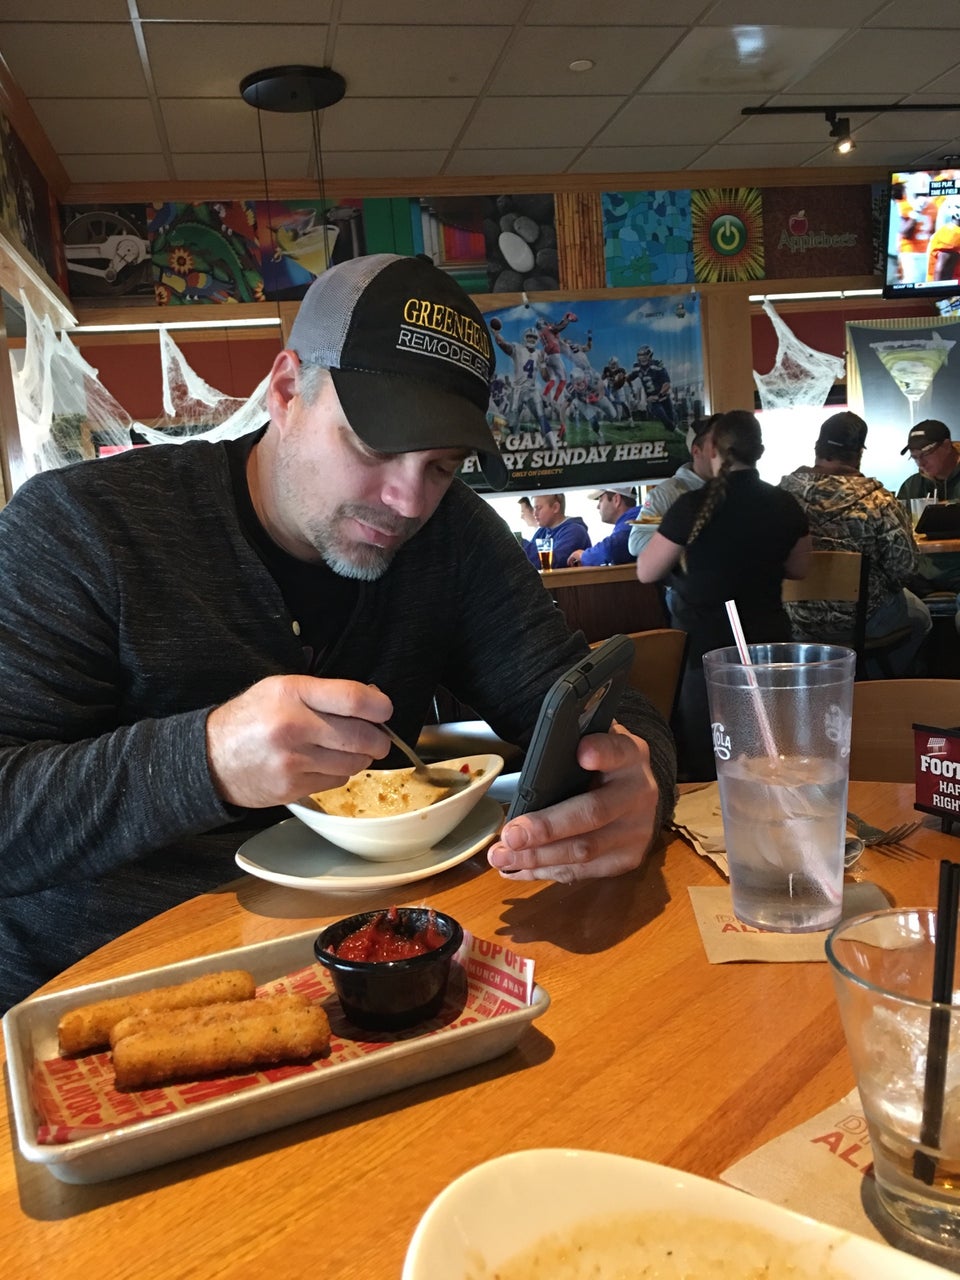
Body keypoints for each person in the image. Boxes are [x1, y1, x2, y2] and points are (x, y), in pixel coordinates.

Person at [0, 252, 676, 1011]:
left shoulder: (452, 540)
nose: (408, 501)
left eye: (442, 466)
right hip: (100, 1002)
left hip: (377, 980)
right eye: (375, 446)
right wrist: (207, 759)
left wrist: (639, 782)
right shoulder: (80, 527)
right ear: (287, 390)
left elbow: (590, 702)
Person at [635, 410, 811, 780]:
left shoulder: (692, 505)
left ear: (712, 448)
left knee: (712, 758)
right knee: (772, 753)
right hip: (769, 643)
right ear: (759, 450)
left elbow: (646, 571)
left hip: (705, 652)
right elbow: (800, 568)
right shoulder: (786, 504)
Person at [780, 412, 931, 675]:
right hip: (863, 621)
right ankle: (872, 683)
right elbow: (905, 569)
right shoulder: (878, 501)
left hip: (795, 621)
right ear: (859, 453)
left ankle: (837, 679)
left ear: (817, 448)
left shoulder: (782, 495)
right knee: (922, 617)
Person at [627, 415, 719, 558]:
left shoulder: (738, 488)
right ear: (696, 451)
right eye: (716, 445)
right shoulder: (667, 493)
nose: (726, 451)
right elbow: (637, 542)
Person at [896, 418, 960, 594]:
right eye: (914, 457)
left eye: (925, 454)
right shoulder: (912, 486)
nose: (920, 462)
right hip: (921, 573)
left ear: (946, 446)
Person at [568, 486, 640, 566]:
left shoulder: (635, 523)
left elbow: (611, 549)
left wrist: (583, 556)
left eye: (600, 500)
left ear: (616, 500)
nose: (598, 506)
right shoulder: (636, 518)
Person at [524, 493, 591, 569]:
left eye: (538, 508)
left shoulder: (575, 531)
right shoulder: (542, 531)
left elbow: (555, 562)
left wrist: (519, 543)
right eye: (534, 508)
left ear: (555, 507)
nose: (534, 513)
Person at [627, 345, 677, 433]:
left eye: (645, 355)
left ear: (650, 355)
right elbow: (629, 378)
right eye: (640, 355)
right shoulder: (637, 367)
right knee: (666, 420)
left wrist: (658, 396)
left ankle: (673, 431)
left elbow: (667, 384)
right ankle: (671, 428)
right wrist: (631, 387)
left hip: (664, 397)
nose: (642, 358)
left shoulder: (657, 365)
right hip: (652, 399)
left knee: (673, 420)